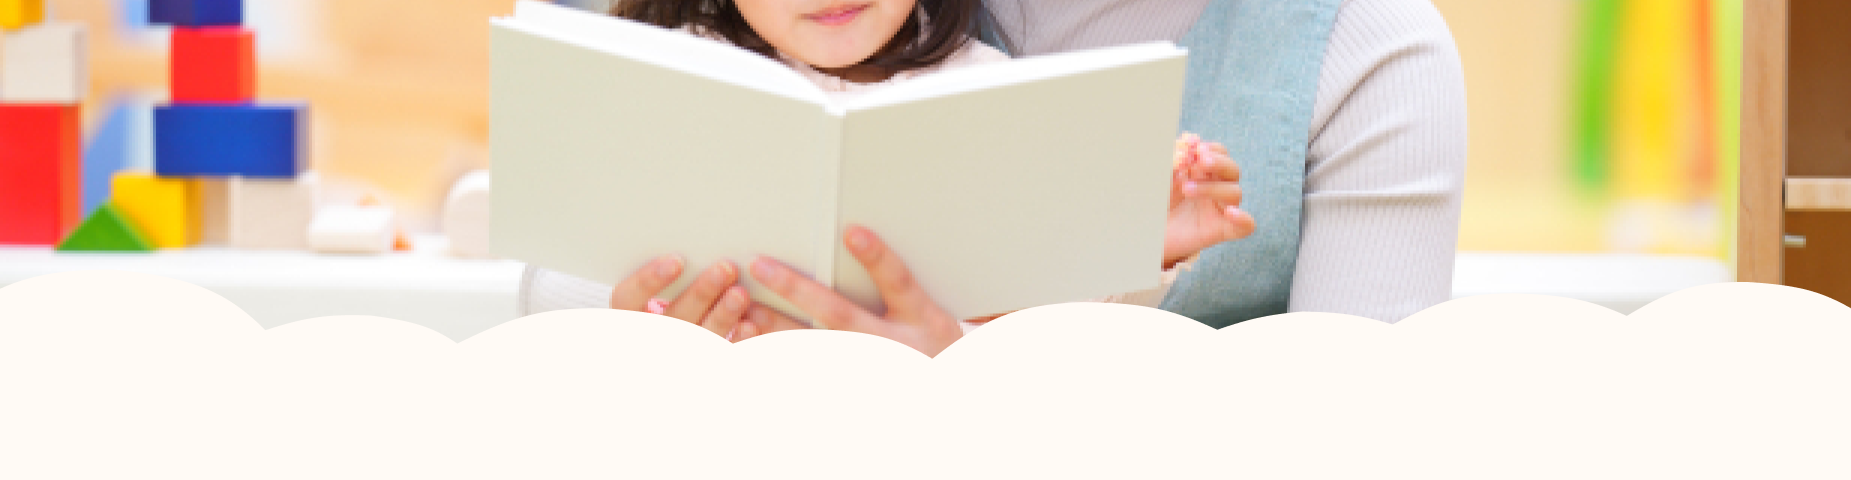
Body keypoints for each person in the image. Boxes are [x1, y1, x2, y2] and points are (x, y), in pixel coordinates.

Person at [524, 0, 1467, 356]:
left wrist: (972, 373)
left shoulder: (1365, 47)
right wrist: (633, 325)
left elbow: (1355, 440)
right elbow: (553, 269)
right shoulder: (723, 45)